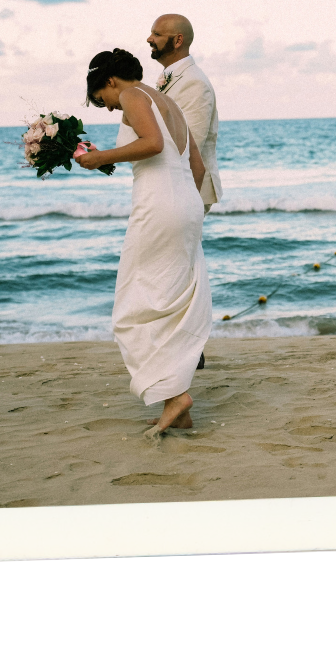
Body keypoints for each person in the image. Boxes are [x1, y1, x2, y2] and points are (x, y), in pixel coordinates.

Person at [76, 49, 211, 438]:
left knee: (133, 305)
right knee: (165, 301)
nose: (107, 107)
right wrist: (184, 203)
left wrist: (102, 157)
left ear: (111, 81)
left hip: (160, 204)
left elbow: (152, 144)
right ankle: (176, 403)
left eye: (101, 98)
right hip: (186, 203)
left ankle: (176, 397)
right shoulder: (170, 103)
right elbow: (197, 166)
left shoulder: (133, 95)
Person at [147, 14, 223, 214]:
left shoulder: (194, 82)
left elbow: (190, 146)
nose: (149, 39)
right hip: (170, 189)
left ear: (178, 40)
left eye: (157, 34)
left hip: (186, 192)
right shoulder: (175, 76)